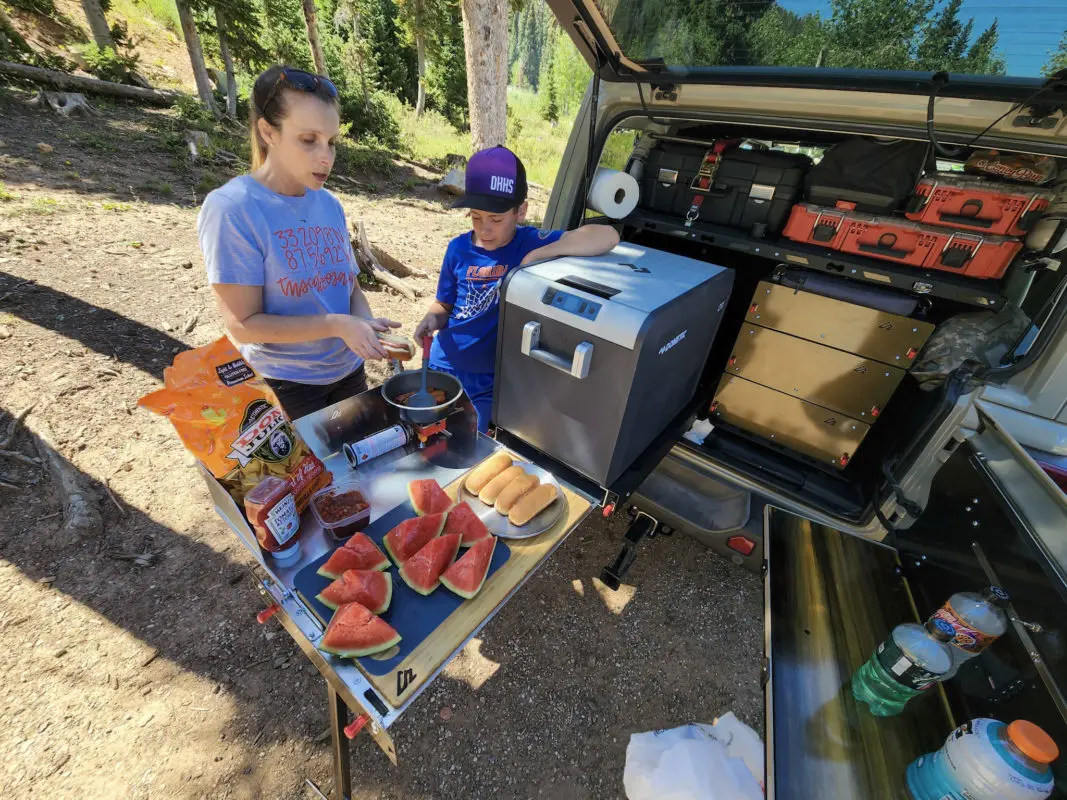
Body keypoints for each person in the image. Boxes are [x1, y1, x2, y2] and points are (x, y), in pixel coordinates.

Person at [197, 64, 399, 421]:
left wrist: (366, 327)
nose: (326, 157)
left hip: (349, 374)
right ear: (267, 132)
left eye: (331, 142)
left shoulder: (329, 204)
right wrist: (337, 325)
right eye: (308, 140)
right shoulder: (233, 208)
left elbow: (350, 289)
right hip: (284, 386)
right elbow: (243, 324)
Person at [414, 146, 620, 432]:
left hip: (489, 379)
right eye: (475, 216)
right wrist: (432, 317)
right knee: (420, 431)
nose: (484, 229)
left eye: (496, 219)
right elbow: (444, 305)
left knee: (466, 439)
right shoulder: (458, 249)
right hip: (442, 364)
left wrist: (540, 254)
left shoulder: (529, 242)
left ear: (521, 211)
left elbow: (607, 235)